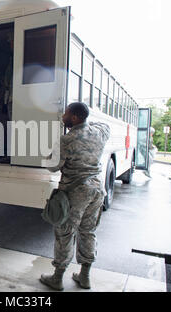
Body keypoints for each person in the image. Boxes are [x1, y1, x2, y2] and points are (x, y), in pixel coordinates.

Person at [40, 102, 110, 291]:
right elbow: (104, 126)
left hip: (75, 192)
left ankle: (57, 278)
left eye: (66, 113)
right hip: (96, 190)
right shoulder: (100, 133)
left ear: (74, 118)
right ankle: (85, 276)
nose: (63, 116)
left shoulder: (67, 140)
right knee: (88, 232)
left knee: (65, 233)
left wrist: (49, 155)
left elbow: (53, 166)